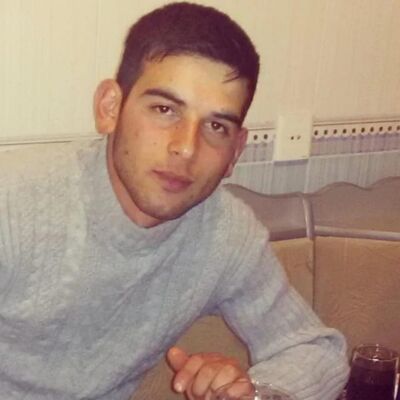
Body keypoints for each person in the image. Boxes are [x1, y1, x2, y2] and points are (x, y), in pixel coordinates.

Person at [0, 2, 349, 399]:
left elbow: (317, 351)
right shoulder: (12, 205)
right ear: (110, 108)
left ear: (235, 151)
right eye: (165, 109)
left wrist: (252, 392)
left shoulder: (225, 233)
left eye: (216, 125)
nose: (186, 147)